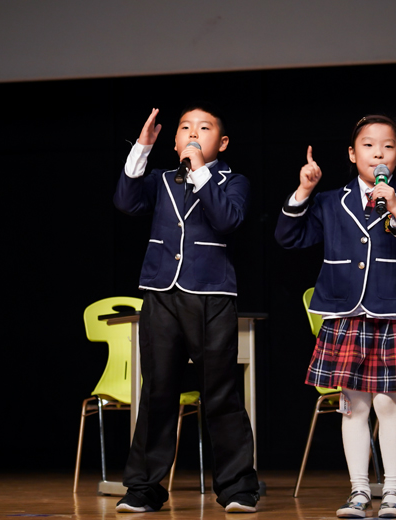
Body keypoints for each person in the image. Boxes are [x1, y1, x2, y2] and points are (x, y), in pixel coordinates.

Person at [275, 115, 396, 518]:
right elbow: (288, 236)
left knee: (388, 404)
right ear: (352, 154)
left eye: (387, 146)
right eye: (368, 145)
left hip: (391, 316)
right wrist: (304, 190)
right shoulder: (331, 201)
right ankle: (359, 491)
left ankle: (394, 493)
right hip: (345, 316)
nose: (378, 153)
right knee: (353, 406)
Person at [113, 104, 259, 513]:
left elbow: (227, 219)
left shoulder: (234, 182)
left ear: (222, 142)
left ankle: (237, 487)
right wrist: (142, 148)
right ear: (174, 140)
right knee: (158, 390)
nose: (193, 133)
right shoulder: (161, 179)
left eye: (204, 128)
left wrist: (199, 172)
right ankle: (144, 488)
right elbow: (126, 202)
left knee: (220, 392)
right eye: (185, 128)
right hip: (161, 292)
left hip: (211, 294)